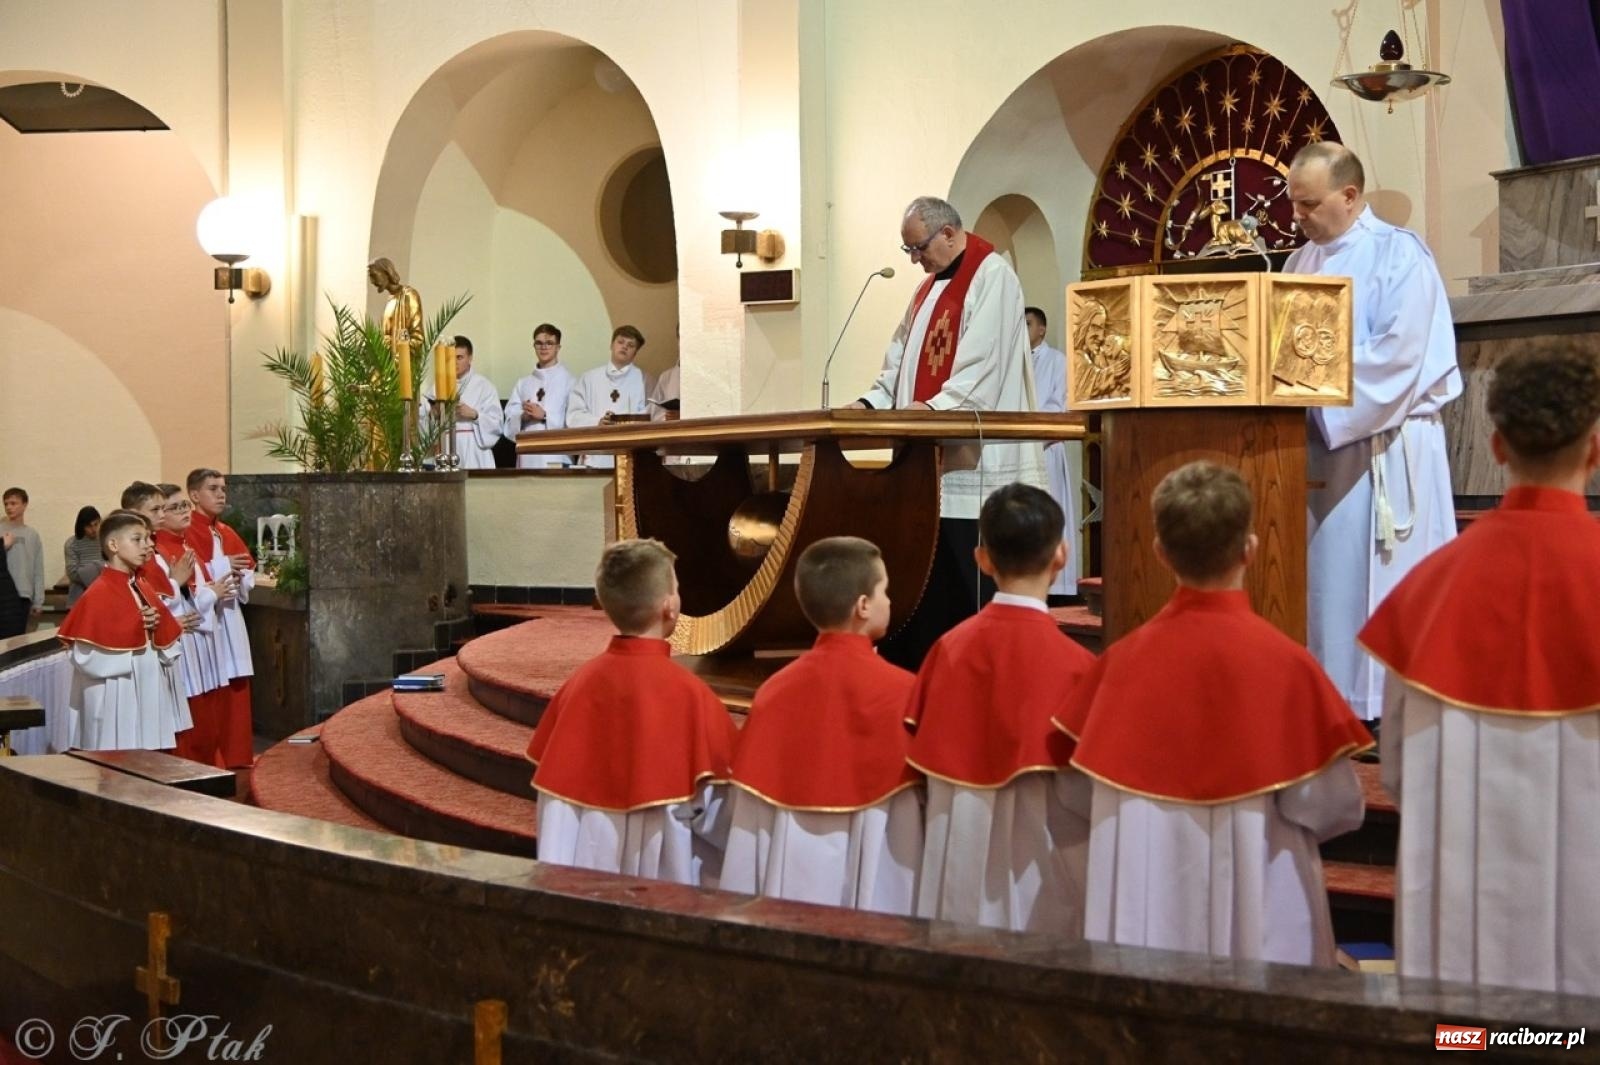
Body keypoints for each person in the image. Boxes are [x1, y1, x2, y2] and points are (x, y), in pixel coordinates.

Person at [1056, 461, 1369, 966]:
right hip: (1259, 896)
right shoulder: (1287, 665)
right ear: (1250, 548)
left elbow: (1076, 792)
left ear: (1159, 553)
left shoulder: (1119, 665)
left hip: (1143, 905)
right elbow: (1333, 805)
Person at [1360, 346, 1600, 995]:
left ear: (1494, 446)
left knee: (1468, 1031)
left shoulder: (1430, 587)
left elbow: (1400, 771)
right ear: (1596, 448)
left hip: (1468, 926)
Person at [1283, 142, 1461, 729]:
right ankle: (1332, 700)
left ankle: (1386, 707)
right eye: (1294, 203)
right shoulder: (1298, 263)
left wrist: (1317, 395)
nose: (1297, 216)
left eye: (1308, 204)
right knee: (1329, 585)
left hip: (1386, 445)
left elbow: (1399, 358)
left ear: (1350, 195)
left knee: (1381, 575)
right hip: (1319, 442)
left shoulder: (1399, 255)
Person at [851, 197, 1045, 669]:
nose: (915, 259)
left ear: (949, 233)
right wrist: (873, 402)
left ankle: (968, 674)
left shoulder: (991, 276)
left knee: (963, 585)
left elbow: (984, 361)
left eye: (918, 248)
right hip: (925, 459)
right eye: (909, 251)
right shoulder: (924, 291)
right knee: (924, 585)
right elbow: (899, 359)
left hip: (971, 463)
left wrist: (934, 410)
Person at [904, 482, 1093, 933]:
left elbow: (919, 760)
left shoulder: (948, 649)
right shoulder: (1078, 665)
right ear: (1061, 556)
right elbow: (1085, 791)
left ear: (982, 559)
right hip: (1044, 860)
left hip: (959, 847)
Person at [721, 537, 923, 915]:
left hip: (791, 871)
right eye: (885, 591)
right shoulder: (905, 690)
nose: (890, 601)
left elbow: (747, 805)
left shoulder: (772, 692)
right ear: (863, 606)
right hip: (882, 865)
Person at [526, 539, 738, 886]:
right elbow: (720, 815)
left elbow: (554, 807)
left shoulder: (579, 685)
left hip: (576, 884)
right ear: (670, 607)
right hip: (661, 885)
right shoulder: (689, 694)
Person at [56, 510, 185, 751]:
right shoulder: (97, 593)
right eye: (137, 539)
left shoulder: (141, 586)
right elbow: (85, 656)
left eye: (147, 538)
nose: (147, 545)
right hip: (116, 689)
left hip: (145, 682)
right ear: (113, 545)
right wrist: (132, 626)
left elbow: (165, 643)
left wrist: (155, 626)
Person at [154, 482, 228, 766]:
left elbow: (190, 591)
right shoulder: (159, 550)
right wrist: (211, 593)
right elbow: (170, 599)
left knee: (207, 710)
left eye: (184, 505)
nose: (184, 511)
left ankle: (210, 762)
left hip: (200, 637)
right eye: (174, 507)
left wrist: (208, 590)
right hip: (183, 640)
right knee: (192, 713)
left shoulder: (183, 544)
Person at [186, 469, 256, 768]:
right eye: (212, 488)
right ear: (193, 495)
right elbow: (190, 576)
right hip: (206, 617)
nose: (221, 494)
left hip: (229, 615)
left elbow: (248, 571)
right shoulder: (188, 530)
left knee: (235, 682)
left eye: (223, 488)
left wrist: (239, 573)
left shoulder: (225, 531)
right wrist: (222, 564)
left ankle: (236, 754)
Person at [120, 485, 195, 748]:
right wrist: (176, 583)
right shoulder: (129, 569)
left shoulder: (148, 557)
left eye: (164, 508)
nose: (162, 514)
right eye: (156, 509)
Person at [1025, 305, 1079, 598]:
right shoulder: (1013, 361)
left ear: (1042, 329)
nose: (1023, 330)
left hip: (1045, 448)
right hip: (1017, 449)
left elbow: (1061, 404)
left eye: (1028, 323)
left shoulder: (1057, 361)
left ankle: (1057, 585)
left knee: (1049, 513)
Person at [566, 326, 650, 470]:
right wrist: (597, 422)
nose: (624, 347)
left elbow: (650, 416)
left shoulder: (645, 381)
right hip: (594, 457)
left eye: (630, 345)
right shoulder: (589, 378)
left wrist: (624, 425)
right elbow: (574, 414)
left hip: (629, 458)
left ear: (635, 352)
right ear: (611, 345)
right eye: (620, 342)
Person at [420, 335, 503, 469]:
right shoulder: (438, 387)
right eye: (451, 358)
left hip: (474, 451)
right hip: (445, 448)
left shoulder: (484, 386)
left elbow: (497, 424)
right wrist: (434, 414)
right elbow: (423, 428)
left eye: (459, 357)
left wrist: (474, 415)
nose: (454, 362)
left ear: (470, 358)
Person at [503, 324, 576, 469]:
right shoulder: (523, 383)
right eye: (539, 343)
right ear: (534, 346)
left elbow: (574, 421)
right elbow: (510, 419)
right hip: (527, 456)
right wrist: (523, 417)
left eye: (549, 343)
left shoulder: (570, 382)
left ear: (558, 347)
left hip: (556, 455)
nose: (544, 347)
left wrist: (544, 416)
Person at [2, 487, 45, 633]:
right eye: (6, 504)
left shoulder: (32, 534)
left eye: (13, 503)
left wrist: (38, 600)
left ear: (25, 505)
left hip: (23, 594)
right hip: (3, 594)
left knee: (17, 642)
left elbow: (37, 568)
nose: (9, 507)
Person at [64, 506, 104, 607]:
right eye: (89, 526)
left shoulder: (106, 541)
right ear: (82, 526)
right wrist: (98, 569)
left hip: (104, 594)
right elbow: (72, 573)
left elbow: (112, 566)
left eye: (96, 524)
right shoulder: (72, 544)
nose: (94, 529)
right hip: (80, 597)